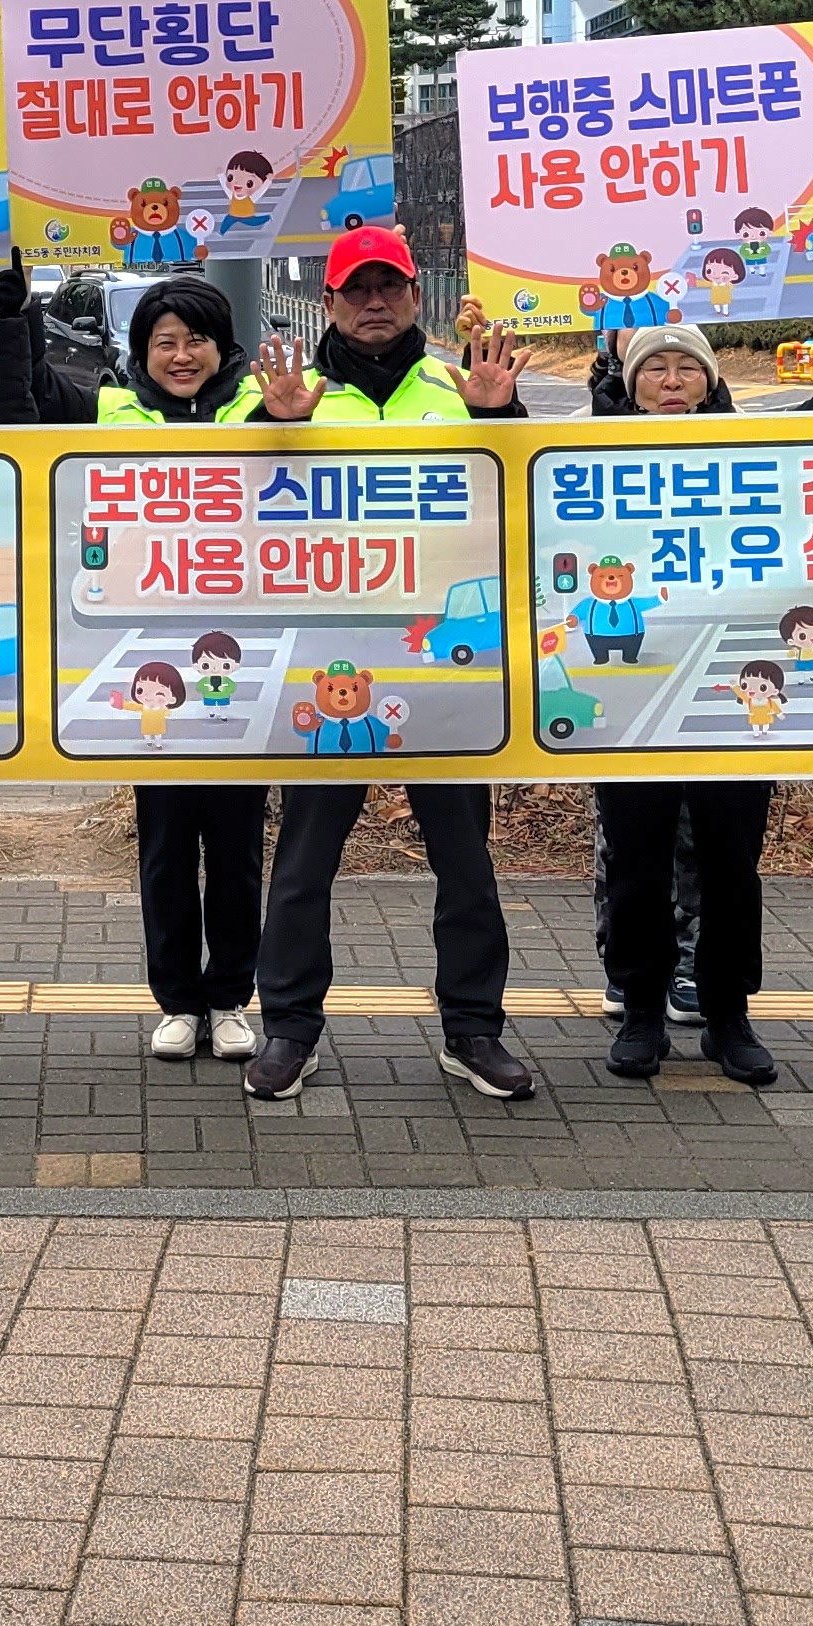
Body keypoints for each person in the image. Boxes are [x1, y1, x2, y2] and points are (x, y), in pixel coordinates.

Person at [237, 224, 539, 1106]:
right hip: (324, 665)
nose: (374, 303)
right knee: (302, 862)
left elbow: (518, 499)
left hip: (445, 666)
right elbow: (226, 509)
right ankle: (289, 1028)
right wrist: (268, 425)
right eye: (356, 290)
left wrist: (498, 418)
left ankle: (473, 1030)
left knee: (467, 862)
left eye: (390, 288)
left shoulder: (461, 387)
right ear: (327, 303)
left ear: (415, 297)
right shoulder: (293, 393)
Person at [0, 264, 269, 1064]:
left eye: (196, 340)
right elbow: (19, 401)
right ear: (141, 350)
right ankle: (177, 1000)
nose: (181, 356)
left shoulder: (264, 412)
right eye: (163, 342)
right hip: (149, 672)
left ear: (223, 347)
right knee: (167, 845)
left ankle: (232, 999)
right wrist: (13, 315)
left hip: (245, 665)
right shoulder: (109, 408)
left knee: (238, 853)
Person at [589, 316, 775, 1085]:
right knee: (635, 857)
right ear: (630, 385)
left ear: (711, 381)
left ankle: (728, 1014)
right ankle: (639, 1007)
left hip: (733, 690)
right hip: (631, 689)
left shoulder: (758, 451)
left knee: (734, 859)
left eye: (686, 369)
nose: (672, 381)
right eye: (654, 369)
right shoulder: (588, 456)